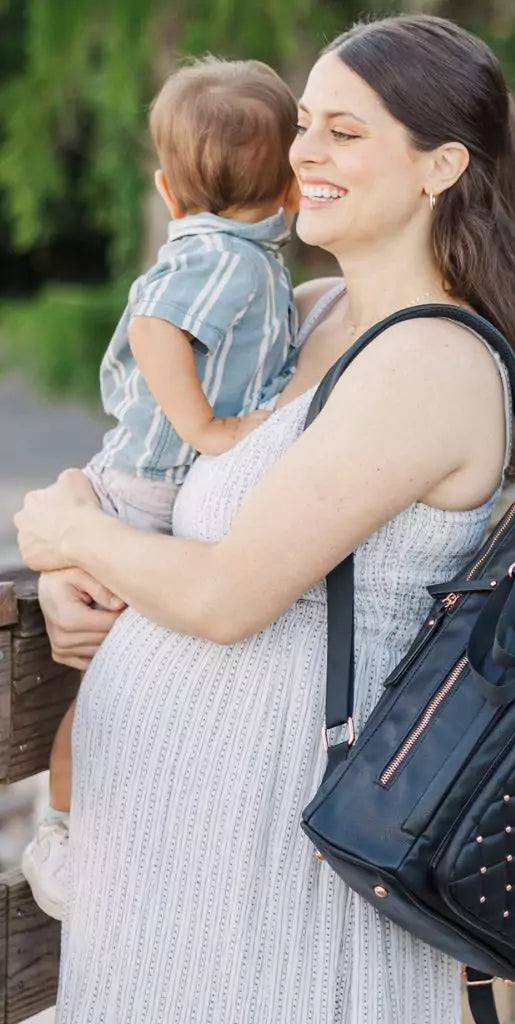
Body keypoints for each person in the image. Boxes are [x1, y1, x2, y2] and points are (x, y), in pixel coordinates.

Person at [14, 14, 515, 1022]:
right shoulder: (303, 311)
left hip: (276, 858)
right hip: (173, 847)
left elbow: (225, 596)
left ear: (439, 165)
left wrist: (70, 528)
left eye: (345, 132)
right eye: (304, 123)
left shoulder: (430, 361)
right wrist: (71, 572)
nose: (303, 152)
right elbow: (160, 485)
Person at [20, 56, 300, 922]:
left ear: (167, 193)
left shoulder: (241, 262)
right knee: (102, 693)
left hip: (145, 489)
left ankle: (78, 825)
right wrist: (209, 432)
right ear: (293, 189)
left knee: (118, 689)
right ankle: (61, 830)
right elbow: (153, 329)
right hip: (145, 491)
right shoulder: (227, 259)